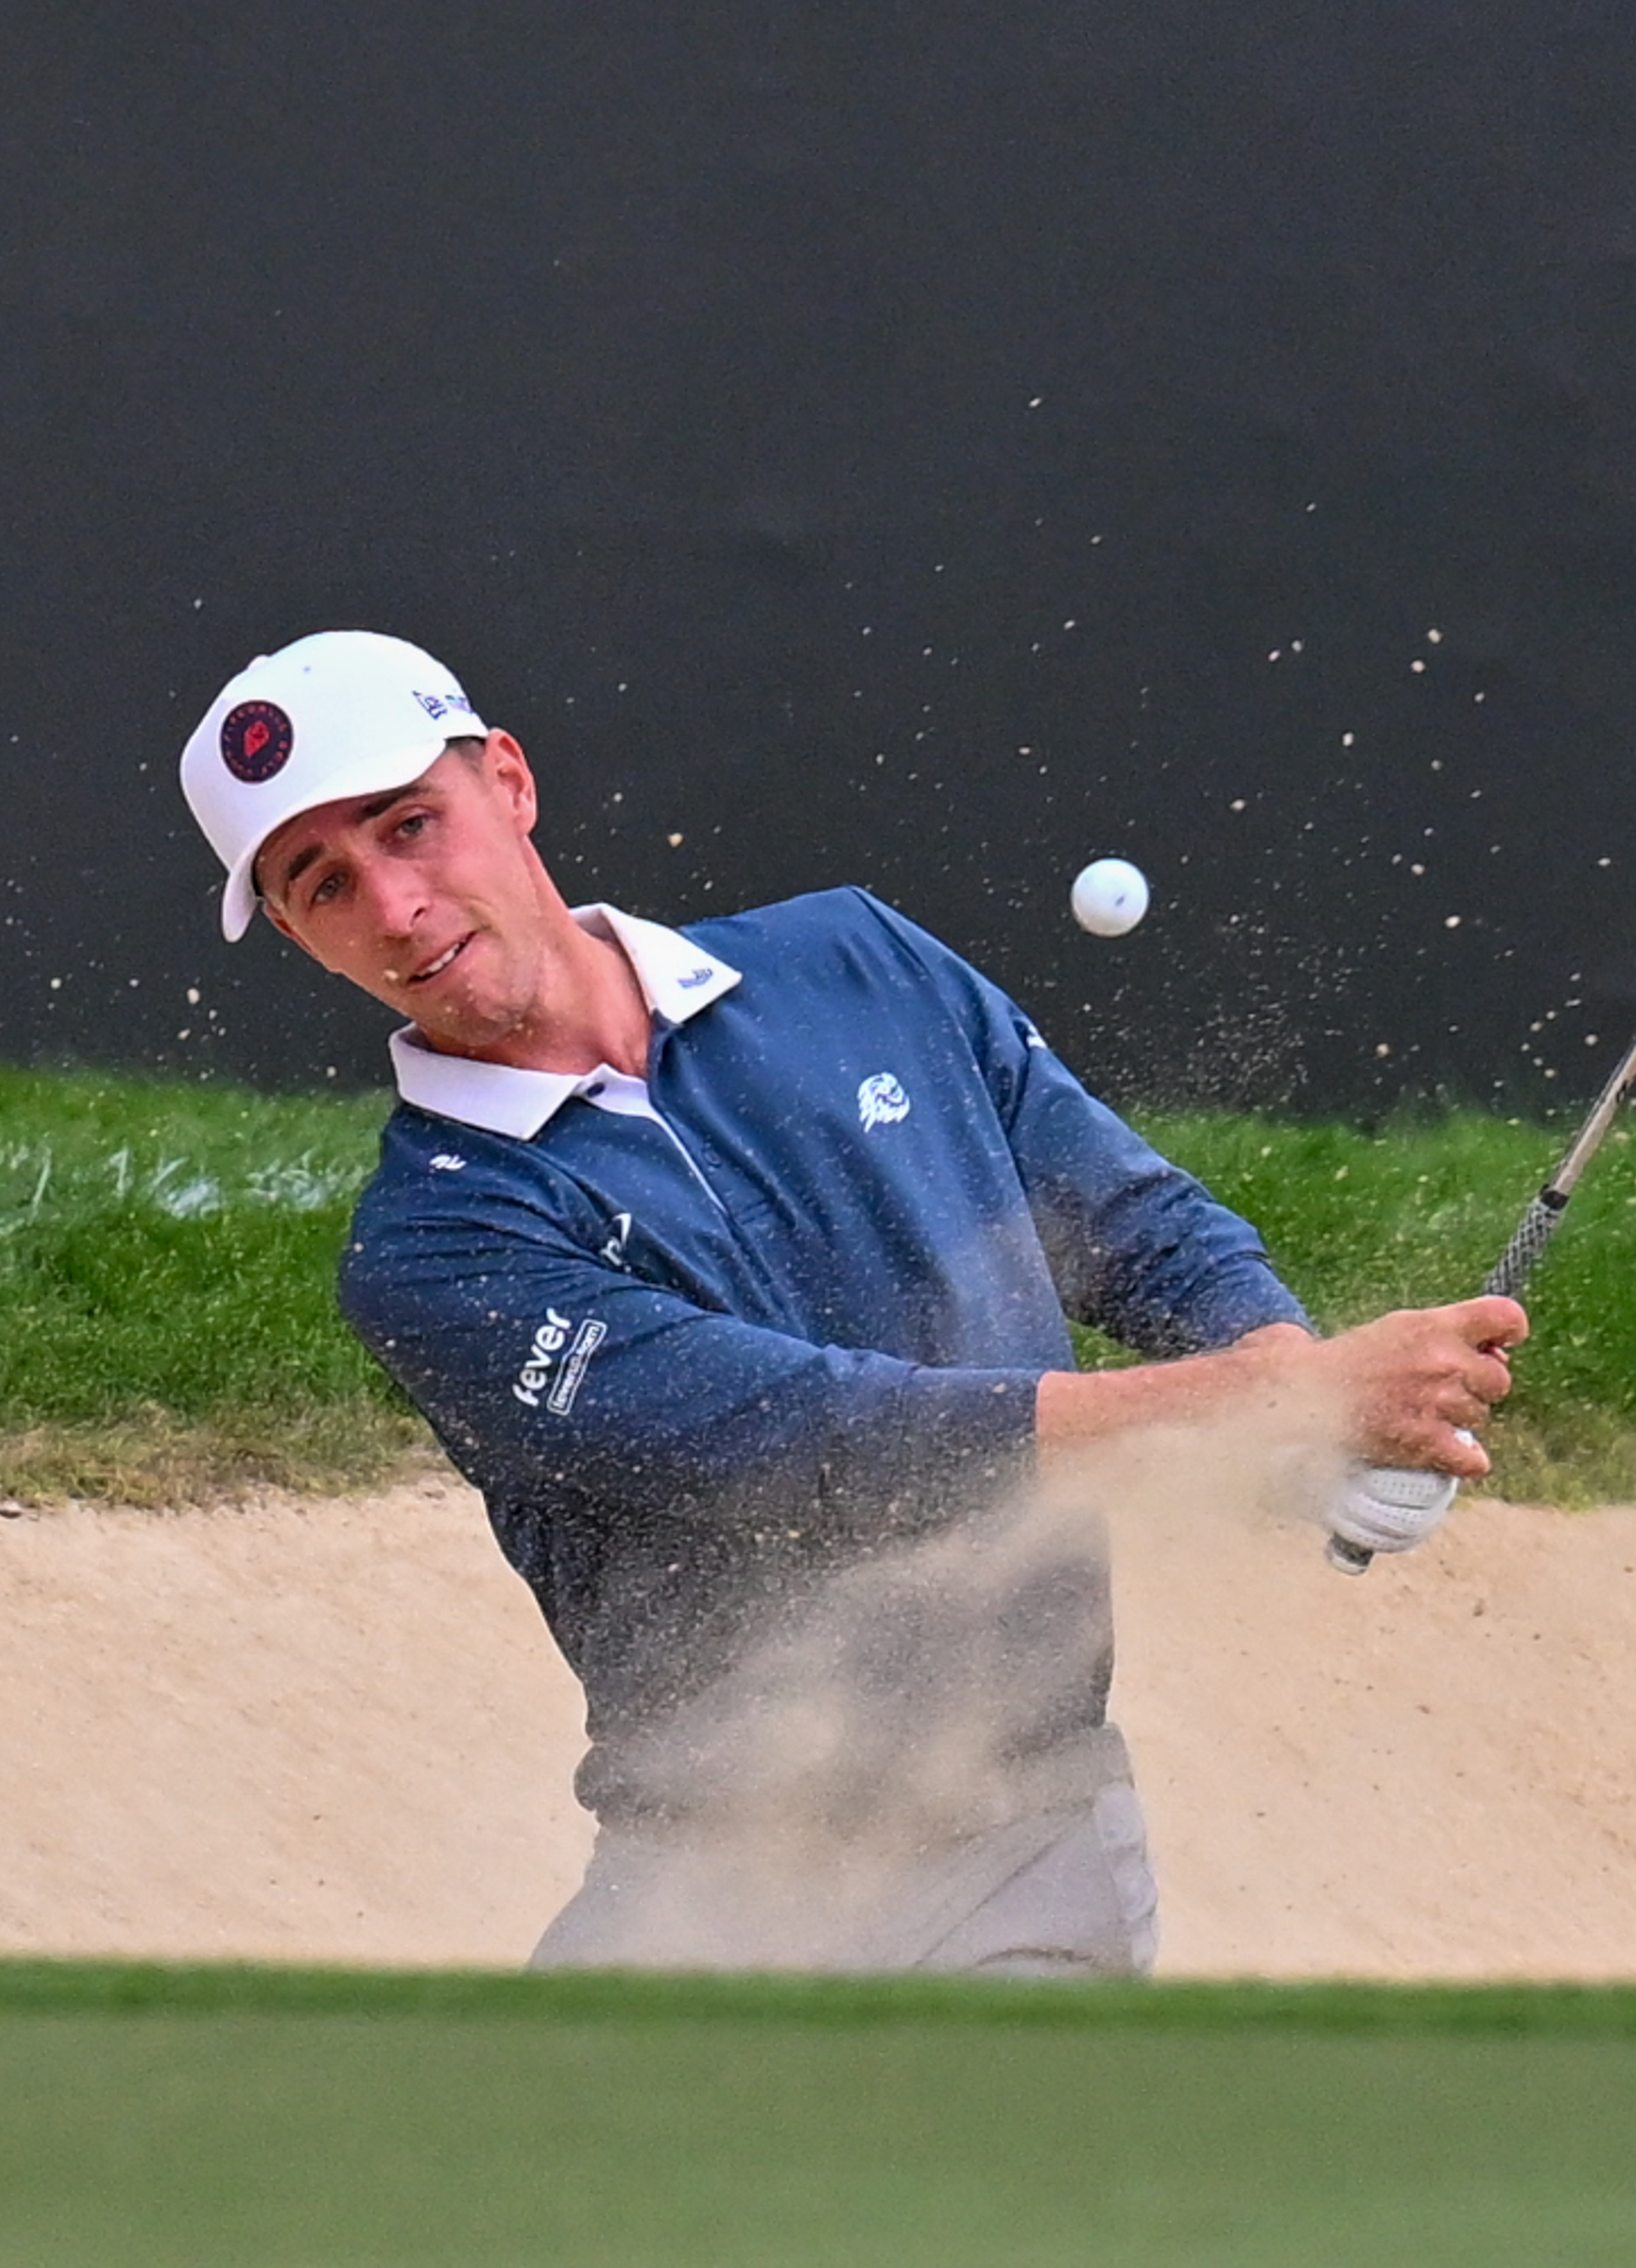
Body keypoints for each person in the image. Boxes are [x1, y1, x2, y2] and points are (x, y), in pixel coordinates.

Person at [180, 629, 1524, 1975]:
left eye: (413, 826)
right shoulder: (436, 1245)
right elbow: (820, 1446)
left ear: (511, 785)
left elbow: (1127, 1224)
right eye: (325, 885)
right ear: (297, 933)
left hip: (1025, 1846)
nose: (396, 903)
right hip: (710, 1884)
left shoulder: (853, 960)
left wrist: (1299, 1410)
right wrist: (1277, 1400)